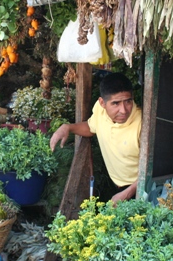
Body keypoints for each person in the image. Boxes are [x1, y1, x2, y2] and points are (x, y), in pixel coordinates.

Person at [50, 72, 142, 202]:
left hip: (139, 189)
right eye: (115, 103)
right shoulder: (100, 110)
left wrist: (128, 193)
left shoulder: (142, 125)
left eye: (128, 101)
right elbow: (91, 127)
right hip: (116, 184)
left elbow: (153, 168)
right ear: (102, 103)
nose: (124, 110)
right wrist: (68, 127)